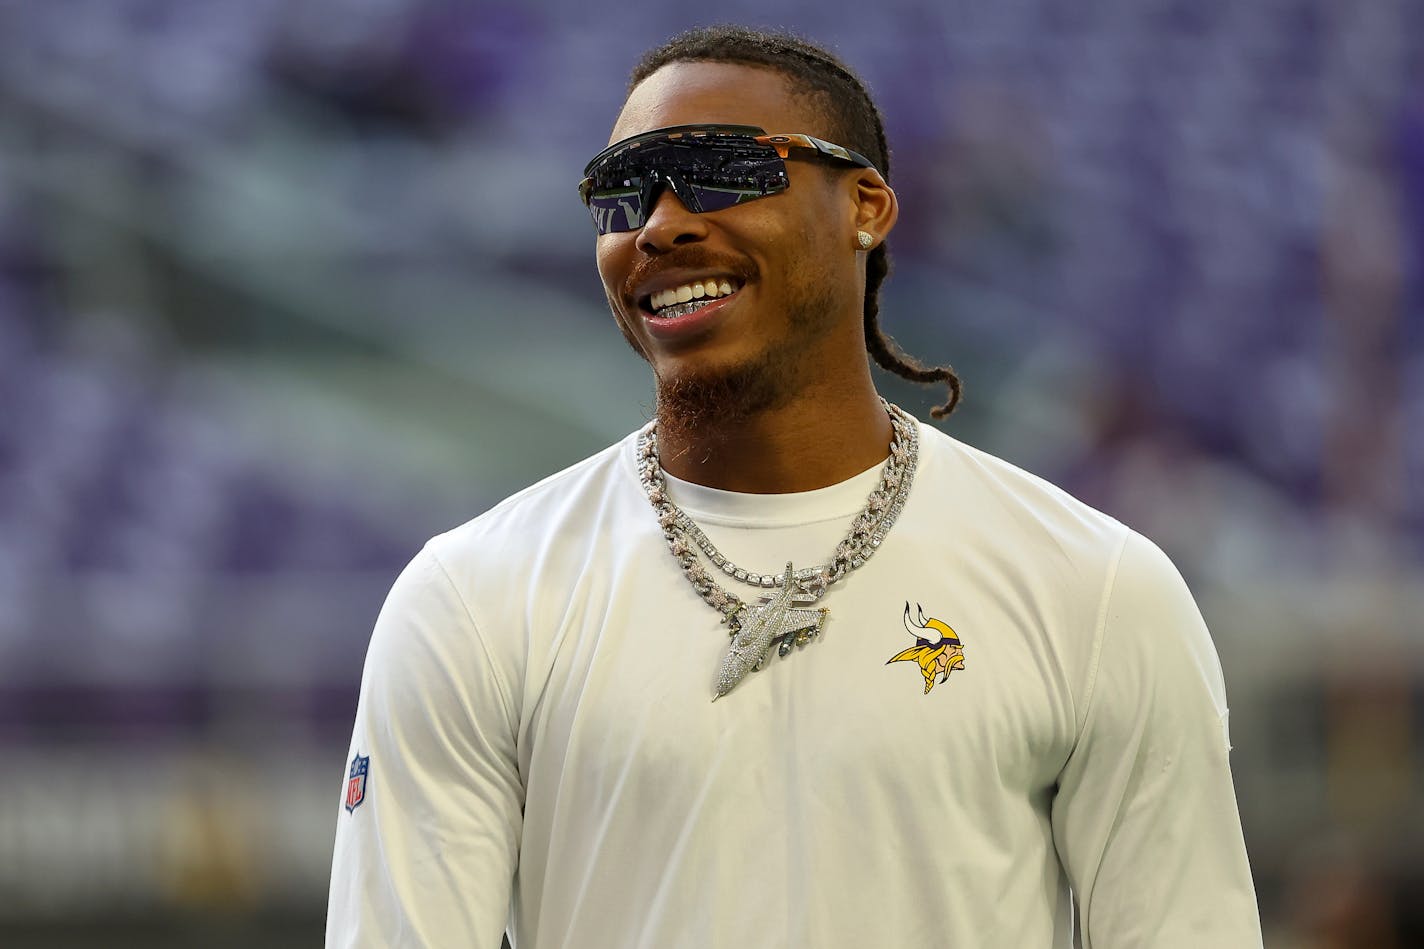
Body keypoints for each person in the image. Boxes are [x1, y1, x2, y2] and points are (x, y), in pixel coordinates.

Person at [326, 25, 1262, 948]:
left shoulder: (1095, 591)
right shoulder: (472, 600)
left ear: (866, 205)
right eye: (620, 194)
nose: (658, 225)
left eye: (723, 170)